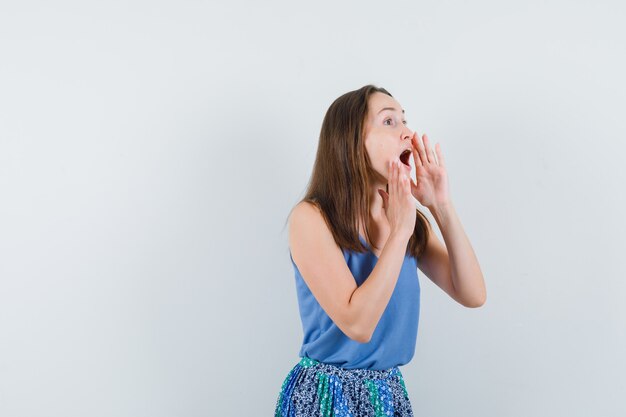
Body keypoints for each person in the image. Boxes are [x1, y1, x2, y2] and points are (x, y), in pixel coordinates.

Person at [274, 84, 486, 416]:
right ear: (351, 141)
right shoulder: (311, 219)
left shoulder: (408, 221)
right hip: (325, 398)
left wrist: (441, 206)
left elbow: (473, 294)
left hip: (387, 396)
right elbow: (358, 325)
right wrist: (398, 232)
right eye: (389, 122)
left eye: (405, 119)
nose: (408, 133)